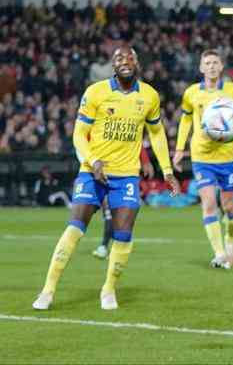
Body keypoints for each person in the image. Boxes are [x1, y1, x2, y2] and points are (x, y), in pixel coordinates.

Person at [32, 46, 179, 311]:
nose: (126, 61)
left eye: (130, 57)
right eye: (120, 58)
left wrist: (167, 170)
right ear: (113, 65)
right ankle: (48, 290)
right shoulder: (96, 92)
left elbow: (156, 133)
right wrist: (93, 161)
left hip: (126, 177)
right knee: (75, 228)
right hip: (92, 171)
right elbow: (79, 134)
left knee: (122, 234)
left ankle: (109, 289)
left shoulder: (149, 95)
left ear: (137, 63)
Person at [173, 49, 233, 269]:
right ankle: (219, 253)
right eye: (207, 63)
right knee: (208, 204)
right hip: (202, 156)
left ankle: (230, 239)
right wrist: (180, 149)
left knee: (228, 204)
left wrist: (229, 131)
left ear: (221, 66)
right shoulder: (191, 93)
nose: (211, 66)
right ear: (201, 67)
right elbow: (186, 121)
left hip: (228, 156)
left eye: (215, 62)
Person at [92, 148, 154, 259]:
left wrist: (145, 161)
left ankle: (106, 247)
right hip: (105, 170)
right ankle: (107, 247)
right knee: (110, 212)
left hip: (123, 173)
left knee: (115, 213)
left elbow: (137, 143)